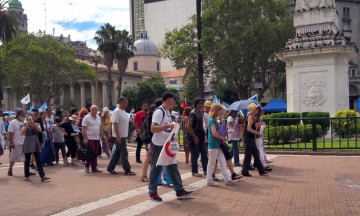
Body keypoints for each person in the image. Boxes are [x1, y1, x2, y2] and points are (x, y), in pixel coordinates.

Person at [148, 92, 192, 201]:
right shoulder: (159, 111)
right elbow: (153, 129)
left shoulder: (167, 111)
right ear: (168, 99)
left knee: (172, 167)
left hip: (167, 145)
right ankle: (152, 192)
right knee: (156, 168)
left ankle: (179, 190)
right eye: (173, 99)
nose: (175, 101)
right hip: (158, 145)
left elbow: (167, 129)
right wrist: (168, 126)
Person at [206, 103, 238, 186]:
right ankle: (209, 180)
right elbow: (214, 133)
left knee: (222, 161)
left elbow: (217, 132)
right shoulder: (211, 120)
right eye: (220, 111)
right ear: (216, 111)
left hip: (218, 144)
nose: (221, 112)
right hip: (213, 144)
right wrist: (222, 138)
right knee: (212, 163)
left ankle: (227, 179)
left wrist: (225, 133)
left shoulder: (215, 120)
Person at [107, 97, 135, 175]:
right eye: (126, 102)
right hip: (119, 136)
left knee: (117, 153)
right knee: (124, 153)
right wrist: (118, 136)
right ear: (121, 102)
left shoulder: (124, 111)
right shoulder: (117, 111)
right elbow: (115, 124)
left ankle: (110, 167)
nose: (127, 103)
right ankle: (127, 169)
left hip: (123, 135)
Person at [22, 111, 50, 182]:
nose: (32, 117)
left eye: (34, 115)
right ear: (28, 116)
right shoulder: (25, 124)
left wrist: (33, 123)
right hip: (28, 141)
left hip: (35, 141)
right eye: (31, 115)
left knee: (38, 160)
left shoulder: (37, 123)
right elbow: (22, 132)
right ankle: (26, 176)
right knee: (27, 160)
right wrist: (28, 123)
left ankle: (42, 176)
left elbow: (40, 130)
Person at [241, 103, 268, 177]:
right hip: (248, 138)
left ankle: (261, 171)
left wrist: (257, 125)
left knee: (256, 154)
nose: (257, 110)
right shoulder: (250, 117)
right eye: (256, 109)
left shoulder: (252, 117)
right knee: (248, 155)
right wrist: (258, 133)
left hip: (251, 138)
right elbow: (248, 129)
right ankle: (245, 171)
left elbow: (251, 126)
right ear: (253, 110)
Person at [187, 97, 208, 177]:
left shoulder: (200, 112)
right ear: (197, 104)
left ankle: (206, 170)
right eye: (201, 103)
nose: (203, 105)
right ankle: (194, 171)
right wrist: (194, 136)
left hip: (201, 135)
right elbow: (188, 126)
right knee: (195, 155)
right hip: (195, 136)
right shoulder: (193, 113)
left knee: (204, 153)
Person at [7, 109, 32, 176]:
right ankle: (10, 169)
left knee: (26, 158)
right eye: (23, 113)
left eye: (24, 113)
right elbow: (10, 133)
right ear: (18, 114)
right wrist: (11, 142)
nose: (24, 115)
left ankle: (27, 171)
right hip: (17, 143)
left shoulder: (26, 122)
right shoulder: (13, 122)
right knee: (13, 158)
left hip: (25, 143)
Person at [82, 105, 105, 173]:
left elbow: (100, 127)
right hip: (89, 138)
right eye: (93, 109)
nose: (94, 110)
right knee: (91, 152)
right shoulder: (86, 118)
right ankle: (87, 166)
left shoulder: (98, 117)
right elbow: (83, 129)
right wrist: (85, 138)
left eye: (95, 109)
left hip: (97, 138)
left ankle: (94, 168)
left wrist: (103, 135)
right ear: (90, 110)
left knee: (96, 153)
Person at [141, 104, 157, 182]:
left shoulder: (154, 118)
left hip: (154, 140)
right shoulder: (149, 119)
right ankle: (144, 175)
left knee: (153, 159)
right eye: (155, 110)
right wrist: (150, 142)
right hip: (149, 140)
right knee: (148, 158)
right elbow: (148, 132)